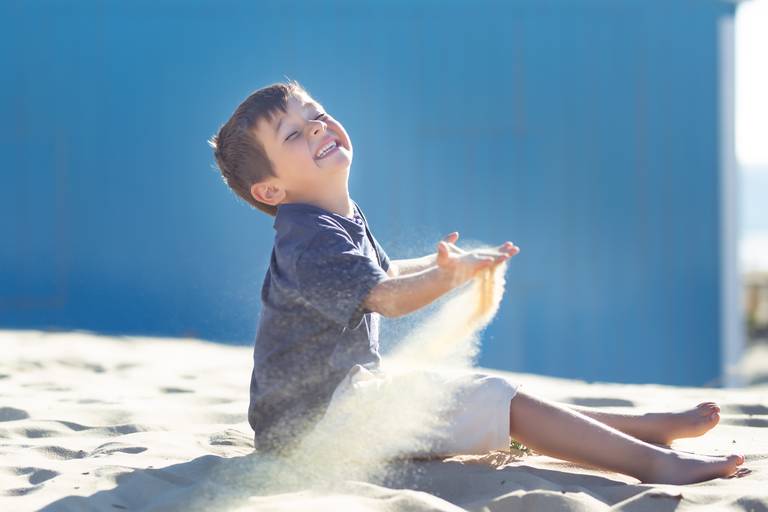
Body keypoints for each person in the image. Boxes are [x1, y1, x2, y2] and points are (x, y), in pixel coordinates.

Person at [208, 79, 746, 485]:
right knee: (492, 397)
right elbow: (388, 300)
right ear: (271, 190)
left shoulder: (333, 217)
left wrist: (456, 263)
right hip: (312, 428)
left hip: (339, 403)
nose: (319, 127)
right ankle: (656, 462)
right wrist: (447, 277)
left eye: (317, 115)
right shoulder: (310, 239)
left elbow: (386, 273)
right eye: (295, 134)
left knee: (494, 398)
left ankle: (644, 428)